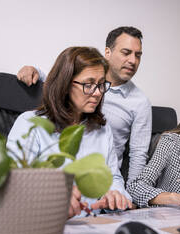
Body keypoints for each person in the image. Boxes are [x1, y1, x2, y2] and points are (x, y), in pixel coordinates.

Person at [17, 26, 152, 186]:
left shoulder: (131, 109)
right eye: (126, 52)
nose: (133, 61)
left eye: (138, 55)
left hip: (102, 181)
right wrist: (34, 70)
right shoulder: (32, 123)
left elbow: (137, 156)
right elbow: (60, 77)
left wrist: (127, 197)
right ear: (108, 52)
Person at [7, 47, 132, 218]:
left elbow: (113, 178)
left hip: (92, 228)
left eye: (101, 85)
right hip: (43, 227)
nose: (97, 93)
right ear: (65, 85)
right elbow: (14, 186)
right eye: (88, 85)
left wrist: (115, 194)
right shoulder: (29, 124)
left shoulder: (102, 129)